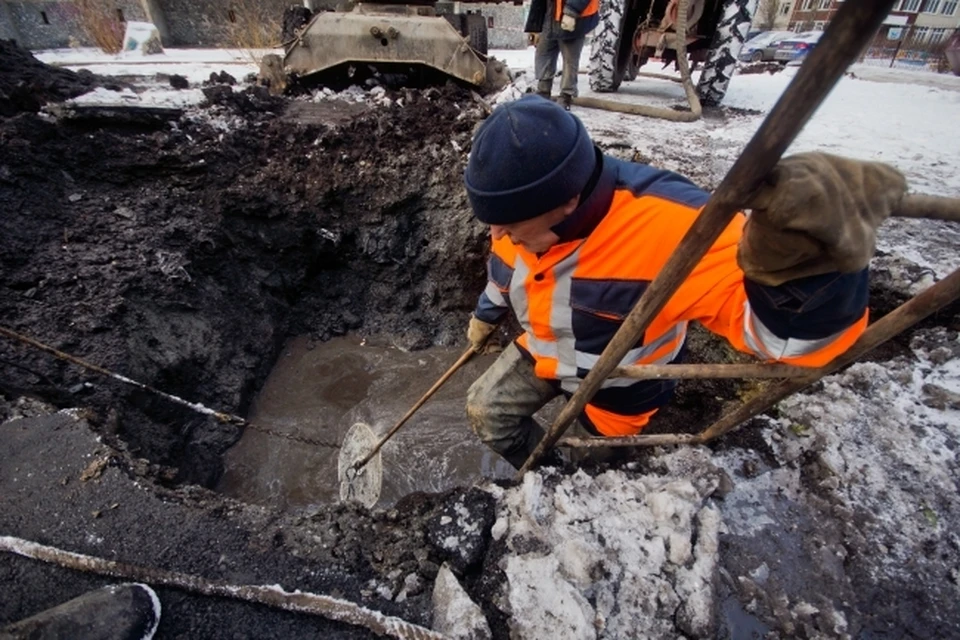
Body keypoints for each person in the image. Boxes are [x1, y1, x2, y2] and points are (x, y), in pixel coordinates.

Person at [462, 95, 907, 469]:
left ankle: (567, 485)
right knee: (486, 411)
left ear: (567, 201)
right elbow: (505, 269)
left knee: (585, 465)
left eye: (508, 225)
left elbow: (792, 345)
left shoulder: (683, 231)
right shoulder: (517, 215)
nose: (497, 236)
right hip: (544, 353)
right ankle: (541, 474)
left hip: (614, 391)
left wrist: (807, 264)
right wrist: (486, 315)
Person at [524, 0, 599, 110]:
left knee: (570, 59)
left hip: (574, 18)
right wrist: (534, 27)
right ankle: (543, 91)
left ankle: (566, 96)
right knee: (544, 52)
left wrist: (571, 11)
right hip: (551, 15)